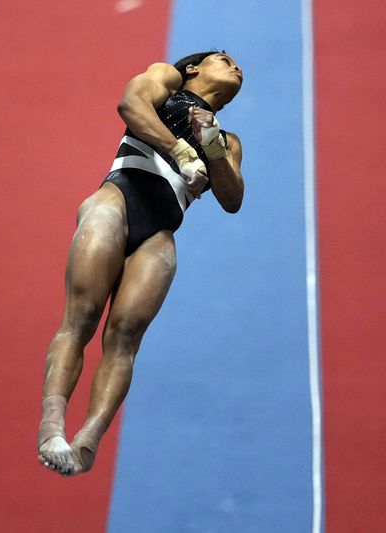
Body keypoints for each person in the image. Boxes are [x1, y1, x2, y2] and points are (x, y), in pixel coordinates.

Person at [37, 50, 245, 476]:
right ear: (193, 68)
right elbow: (130, 106)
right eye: (224, 59)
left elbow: (232, 198)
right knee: (82, 317)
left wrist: (209, 144)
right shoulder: (166, 81)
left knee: (125, 336)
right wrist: (182, 152)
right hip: (117, 201)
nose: (237, 67)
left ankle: (88, 439)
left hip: (159, 232)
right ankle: (51, 425)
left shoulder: (228, 140)